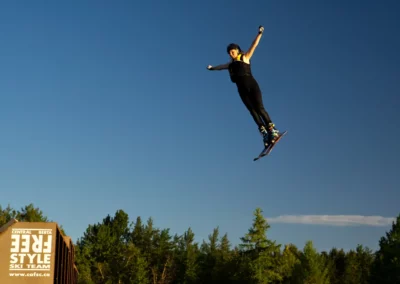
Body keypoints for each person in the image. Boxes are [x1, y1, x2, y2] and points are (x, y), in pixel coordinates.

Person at [207, 25, 280, 147]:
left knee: (259, 108)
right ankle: (265, 134)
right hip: (241, 90)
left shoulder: (244, 57)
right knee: (252, 111)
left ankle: (272, 130)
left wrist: (259, 33)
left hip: (252, 86)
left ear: (237, 50)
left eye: (232, 51)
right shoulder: (230, 64)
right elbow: (220, 67)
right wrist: (212, 68)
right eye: (229, 53)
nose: (231, 54)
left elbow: (254, 45)